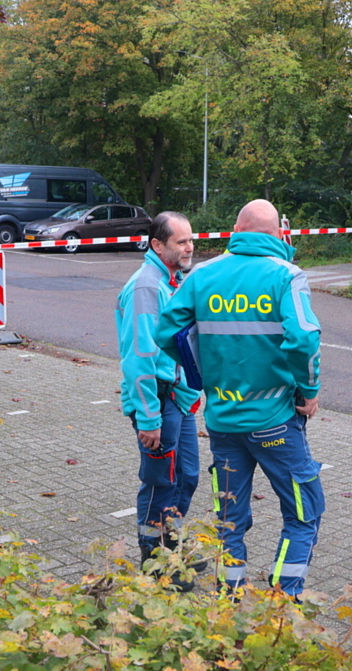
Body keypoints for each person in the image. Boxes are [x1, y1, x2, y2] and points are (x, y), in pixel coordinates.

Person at [155, 199, 323, 598]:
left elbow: (166, 333)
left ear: (236, 228)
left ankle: (229, 601)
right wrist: (309, 391)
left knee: (229, 518)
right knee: (304, 512)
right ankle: (284, 599)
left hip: (223, 421)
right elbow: (303, 339)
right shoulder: (287, 275)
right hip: (276, 420)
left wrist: (200, 373)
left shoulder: (202, 275)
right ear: (278, 234)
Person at [115, 211, 203, 588]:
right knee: (159, 483)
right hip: (158, 403)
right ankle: (154, 563)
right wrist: (148, 417)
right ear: (157, 245)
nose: (189, 247)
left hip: (177, 400)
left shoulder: (173, 279)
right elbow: (139, 357)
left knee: (188, 476)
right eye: (181, 242)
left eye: (190, 240)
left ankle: (171, 546)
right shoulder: (146, 288)